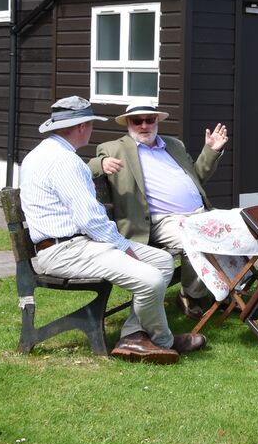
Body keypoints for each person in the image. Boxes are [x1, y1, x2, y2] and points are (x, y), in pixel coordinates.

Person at [20, 97, 206, 364]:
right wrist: (122, 245)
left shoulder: (42, 153)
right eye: (92, 124)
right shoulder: (64, 162)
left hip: (76, 244)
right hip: (66, 250)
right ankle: (163, 340)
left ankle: (133, 334)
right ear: (83, 126)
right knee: (151, 280)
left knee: (163, 261)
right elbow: (90, 219)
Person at [88, 103, 229, 320]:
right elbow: (86, 169)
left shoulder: (174, 145)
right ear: (128, 123)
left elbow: (196, 178)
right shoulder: (114, 148)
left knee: (237, 229)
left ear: (157, 121)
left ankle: (228, 290)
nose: (144, 125)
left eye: (149, 120)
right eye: (137, 121)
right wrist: (101, 163)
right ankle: (191, 295)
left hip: (200, 212)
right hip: (160, 221)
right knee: (197, 239)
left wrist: (211, 150)